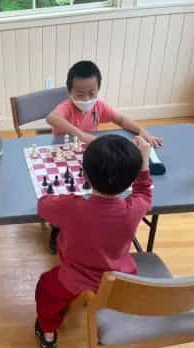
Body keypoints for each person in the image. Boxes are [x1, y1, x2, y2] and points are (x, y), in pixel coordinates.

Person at [34, 134, 153, 348]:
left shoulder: (72, 208)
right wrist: (144, 162)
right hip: (121, 278)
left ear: (84, 174)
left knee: (45, 288)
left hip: (75, 278)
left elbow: (43, 205)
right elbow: (145, 193)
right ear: (130, 180)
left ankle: (48, 333)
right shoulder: (133, 209)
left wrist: (68, 196)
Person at [46, 60, 162, 254]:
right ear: (70, 92)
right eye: (80, 94)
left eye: (92, 93)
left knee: (96, 193)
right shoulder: (66, 107)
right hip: (64, 157)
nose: (86, 98)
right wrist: (82, 135)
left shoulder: (98, 107)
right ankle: (57, 229)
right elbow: (52, 117)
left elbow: (121, 119)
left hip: (91, 157)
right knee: (65, 193)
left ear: (98, 89)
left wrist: (142, 130)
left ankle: (92, 225)